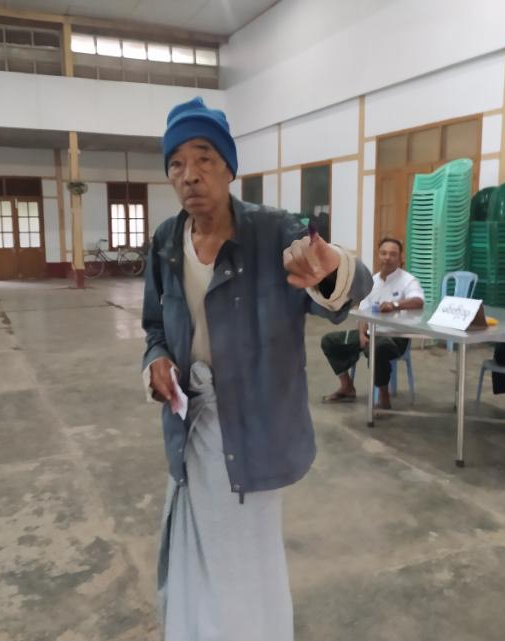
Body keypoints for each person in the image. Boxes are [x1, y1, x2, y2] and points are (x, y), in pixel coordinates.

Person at [141, 96, 372, 641]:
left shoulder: (273, 233)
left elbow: (349, 290)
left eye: (204, 158)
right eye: (176, 163)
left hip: (255, 429)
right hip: (190, 425)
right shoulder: (167, 241)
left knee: (246, 564)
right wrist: (157, 360)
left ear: (228, 168)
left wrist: (329, 267)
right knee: (195, 550)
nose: (190, 175)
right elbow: (154, 325)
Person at [320, 237, 424, 409]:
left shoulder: (408, 280)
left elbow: (418, 301)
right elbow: (363, 312)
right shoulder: (372, 282)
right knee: (330, 341)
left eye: (393, 254)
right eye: (384, 253)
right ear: (378, 255)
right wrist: (362, 334)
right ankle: (347, 387)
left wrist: (395, 305)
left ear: (400, 258)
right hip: (370, 333)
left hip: (395, 337)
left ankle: (384, 396)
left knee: (377, 347)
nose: (387, 257)